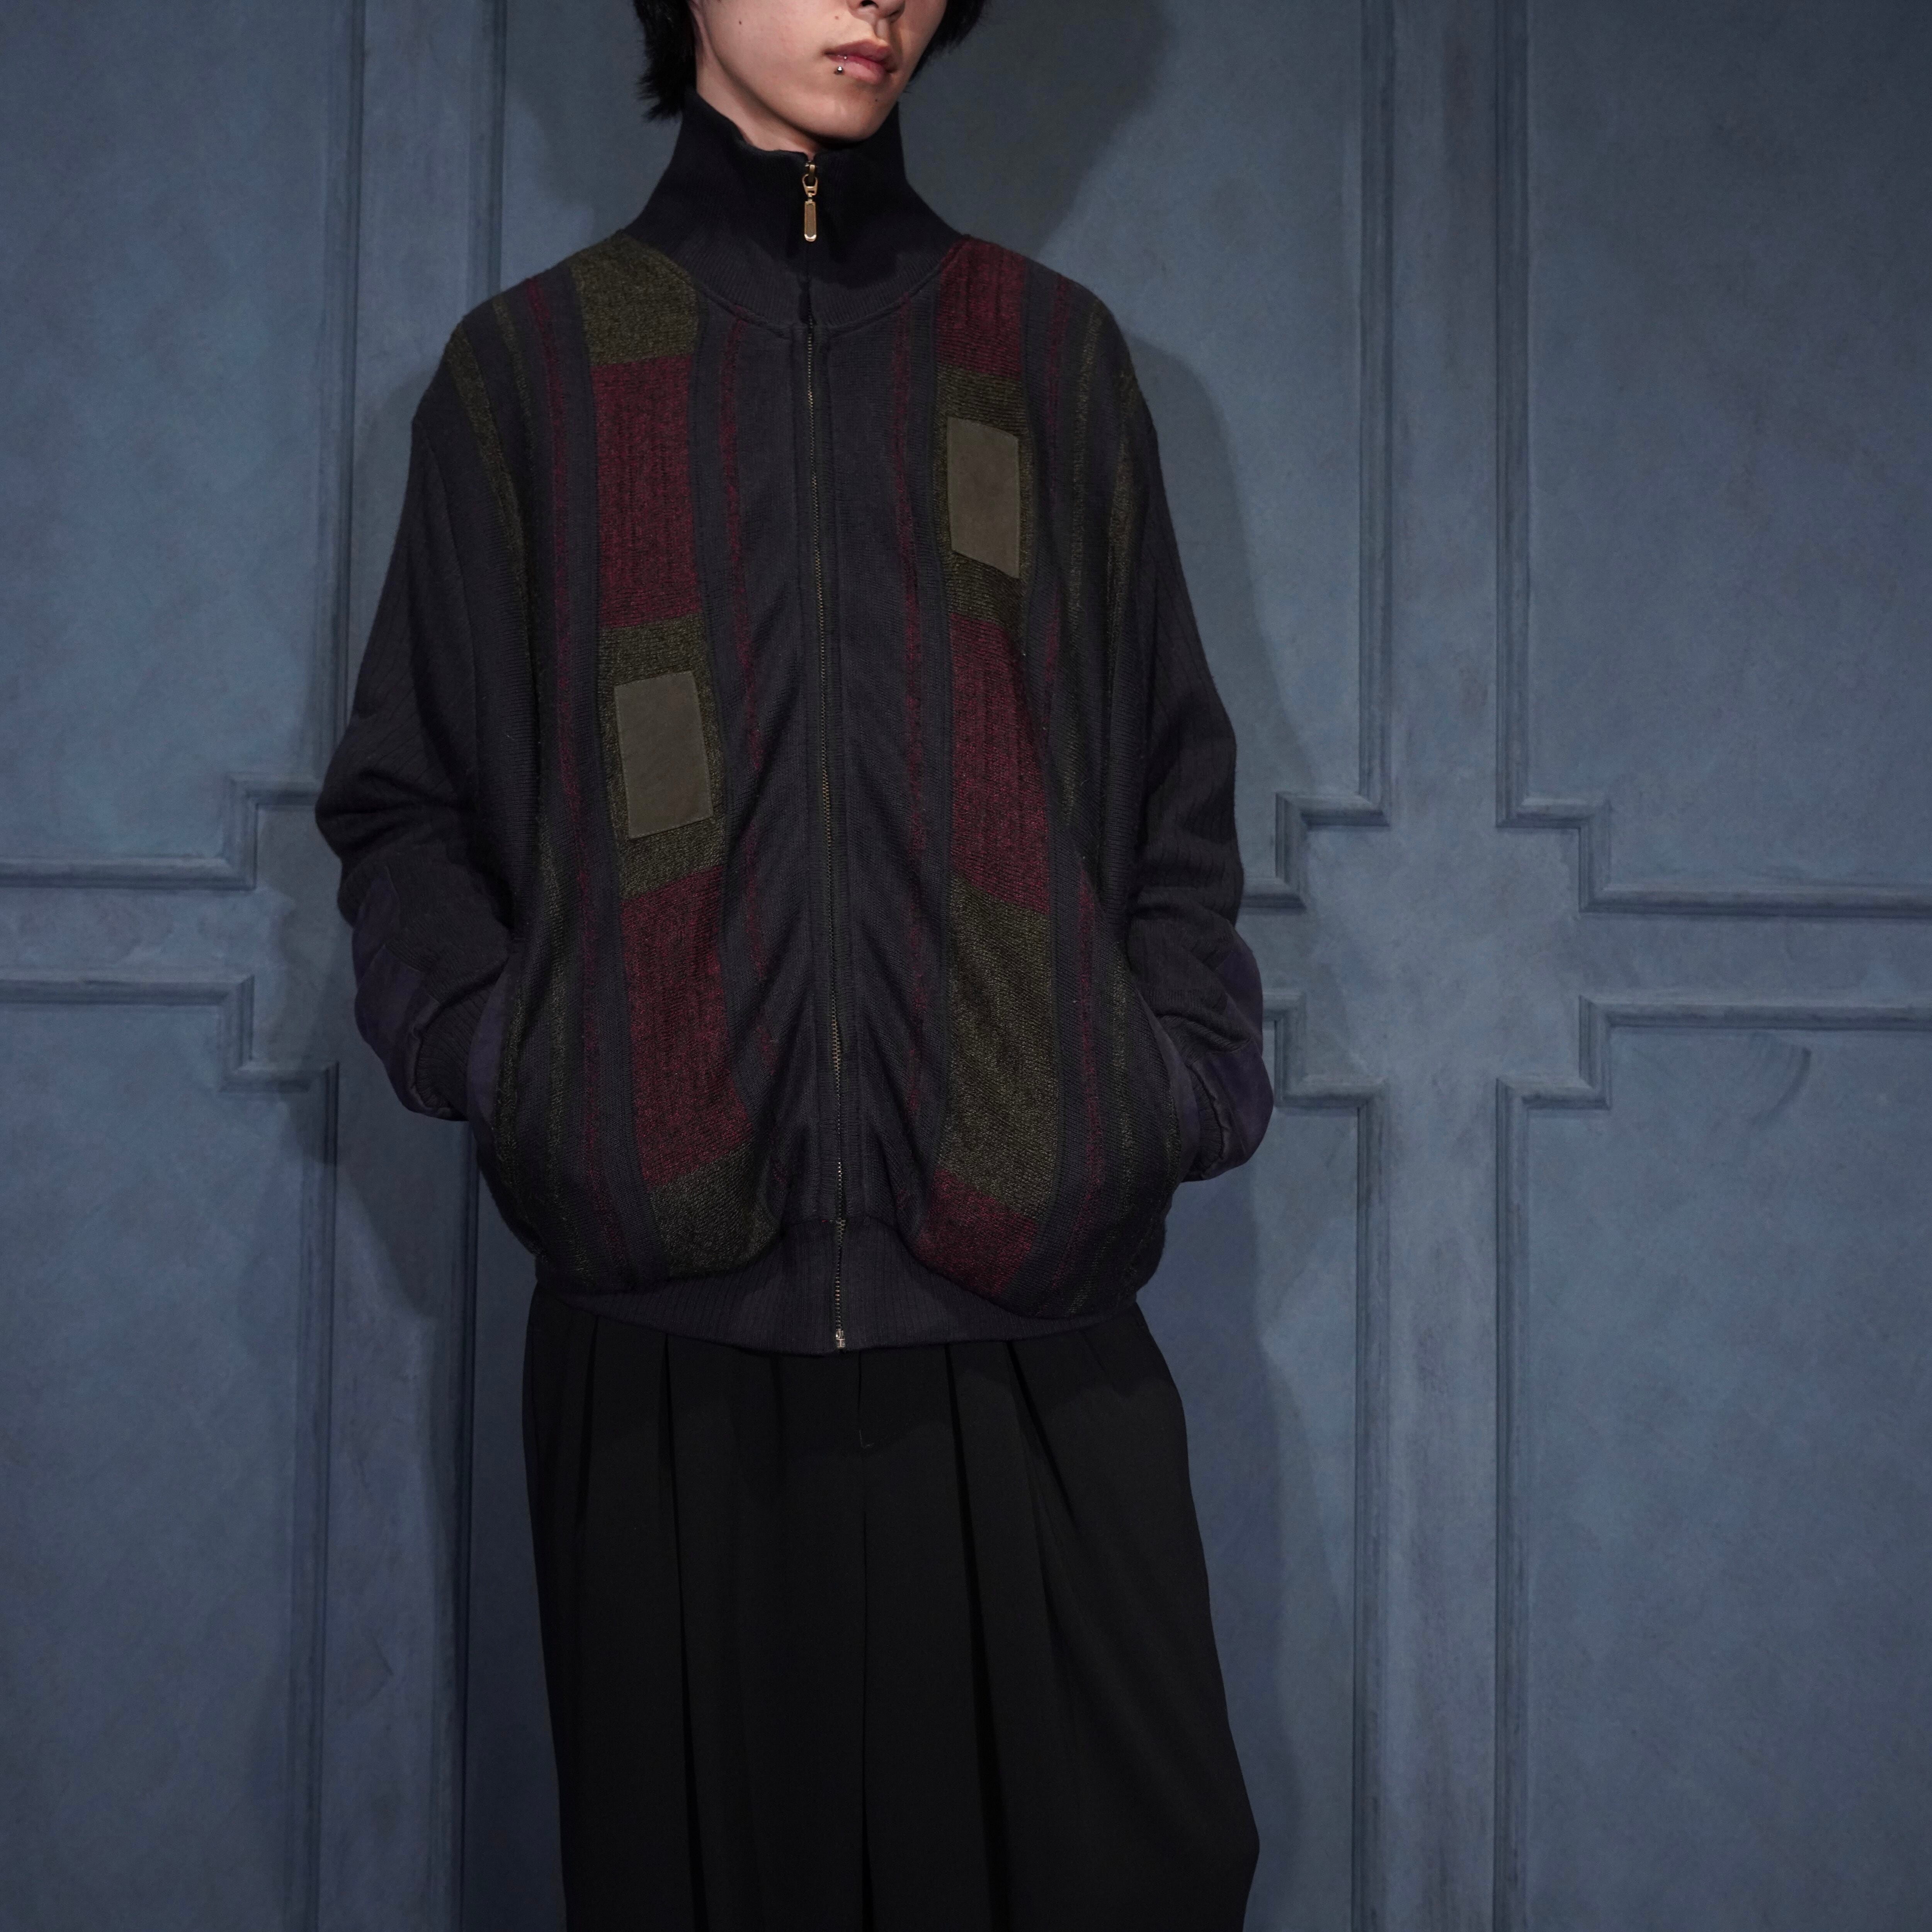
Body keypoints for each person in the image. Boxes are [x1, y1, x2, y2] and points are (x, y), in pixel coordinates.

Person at [313, 0, 1275, 1924]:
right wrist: (535, 1070)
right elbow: (402, 812)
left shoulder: (1050, 361)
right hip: (669, 1341)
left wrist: (1159, 1082)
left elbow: (1173, 793)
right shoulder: (533, 378)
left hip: (1028, 1300)